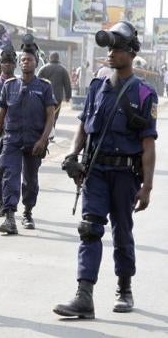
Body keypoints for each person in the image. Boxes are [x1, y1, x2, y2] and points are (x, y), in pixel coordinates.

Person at [54, 21, 158, 319]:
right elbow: (83, 126)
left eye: (117, 48)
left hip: (126, 175)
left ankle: (124, 289)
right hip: (96, 171)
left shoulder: (143, 94)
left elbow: (148, 145)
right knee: (89, 229)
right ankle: (83, 296)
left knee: (122, 233)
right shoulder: (97, 86)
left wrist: (147, 187)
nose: (111, 53)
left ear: (130, 53)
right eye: (109, 48)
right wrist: (74, 155)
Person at [0, 36, 56, 234]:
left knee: (30, 180)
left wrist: (43, 140)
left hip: (34, 141)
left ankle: (28, 212)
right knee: (9, 175)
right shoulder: (9, 85)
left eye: (29, 59)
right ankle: (10, 216)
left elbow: (50, 116)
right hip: (11, 140)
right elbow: (1, 116)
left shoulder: (44, 87)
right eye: (23, 60)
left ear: (36, 62)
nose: (25, 62)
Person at [0, 49, 17, 217]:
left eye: (10, 62)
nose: (7, 65)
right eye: (4, 62)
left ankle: (8, 205)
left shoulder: (19, 84)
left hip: (11, 134)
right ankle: (0, 203)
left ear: (14, 64)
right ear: (0, 64)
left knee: (7, 170)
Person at [38, 51, 72, 127]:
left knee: (43, 114)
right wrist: (68, 97)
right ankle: (51, 130)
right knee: (54, 115)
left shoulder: (43, 68)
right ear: (58, 58)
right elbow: (67, 84)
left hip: (44, 97)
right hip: (57, 97)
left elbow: (37, 82)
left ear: (50, 58)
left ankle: (43, 130)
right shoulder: (63, 69)